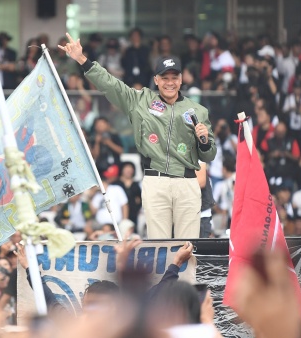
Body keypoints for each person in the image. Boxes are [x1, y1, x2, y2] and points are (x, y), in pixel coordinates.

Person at [59, 33, 216, 239]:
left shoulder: (197, 110)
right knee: (159, 247)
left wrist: (204, 140)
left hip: (187, 182)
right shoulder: (141, 100)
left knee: (188, 246)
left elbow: (209, 155)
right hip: (155, 181)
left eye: (174, 77)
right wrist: (82, 60)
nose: (170, 82)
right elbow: (110, 84)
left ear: (180, 79)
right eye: (165, 77)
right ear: (156, 80)